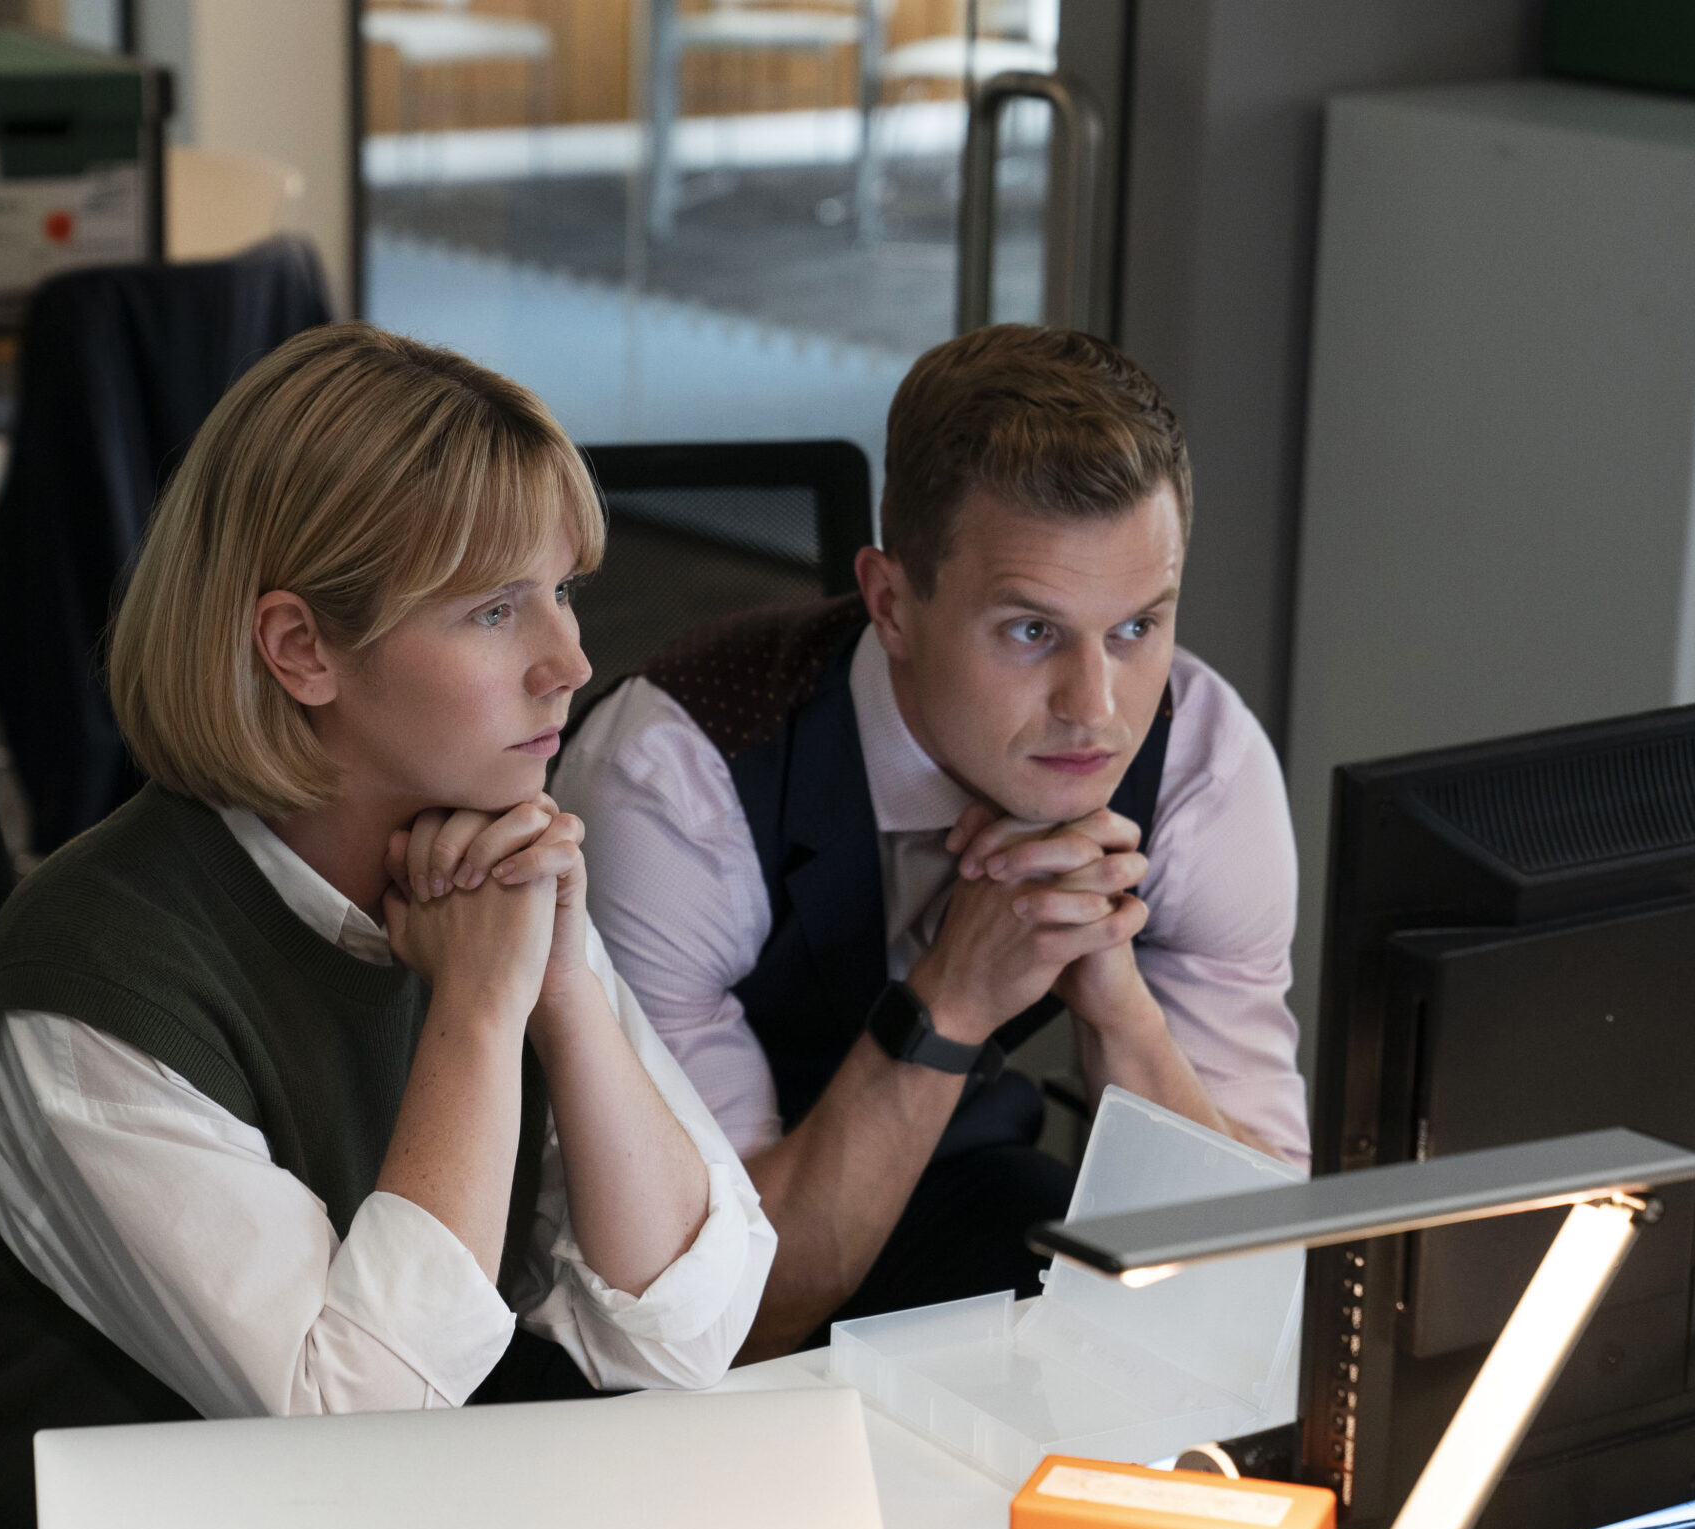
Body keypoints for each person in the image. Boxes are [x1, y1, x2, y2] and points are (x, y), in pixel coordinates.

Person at [0, 325, 775, 1529]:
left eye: (565, 592)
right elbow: (356, 1420)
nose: (571, 663)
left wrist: (563, 989)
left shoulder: (487, 865)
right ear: (301, 649)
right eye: (497, 611)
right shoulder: (85, 1002)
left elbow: (684, 1334)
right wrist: (480, 1017)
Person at [553, 324, 1305, 1362]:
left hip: (961, 1184)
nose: (1095, 711)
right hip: (643, 1305)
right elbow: (714, 1323)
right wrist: (951, 1001)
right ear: (891, 604)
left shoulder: (1200, 764)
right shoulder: (676, 782)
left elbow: (1257, 1284)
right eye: (1030, 632)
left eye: (1136, 628)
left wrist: (1116, 1002)